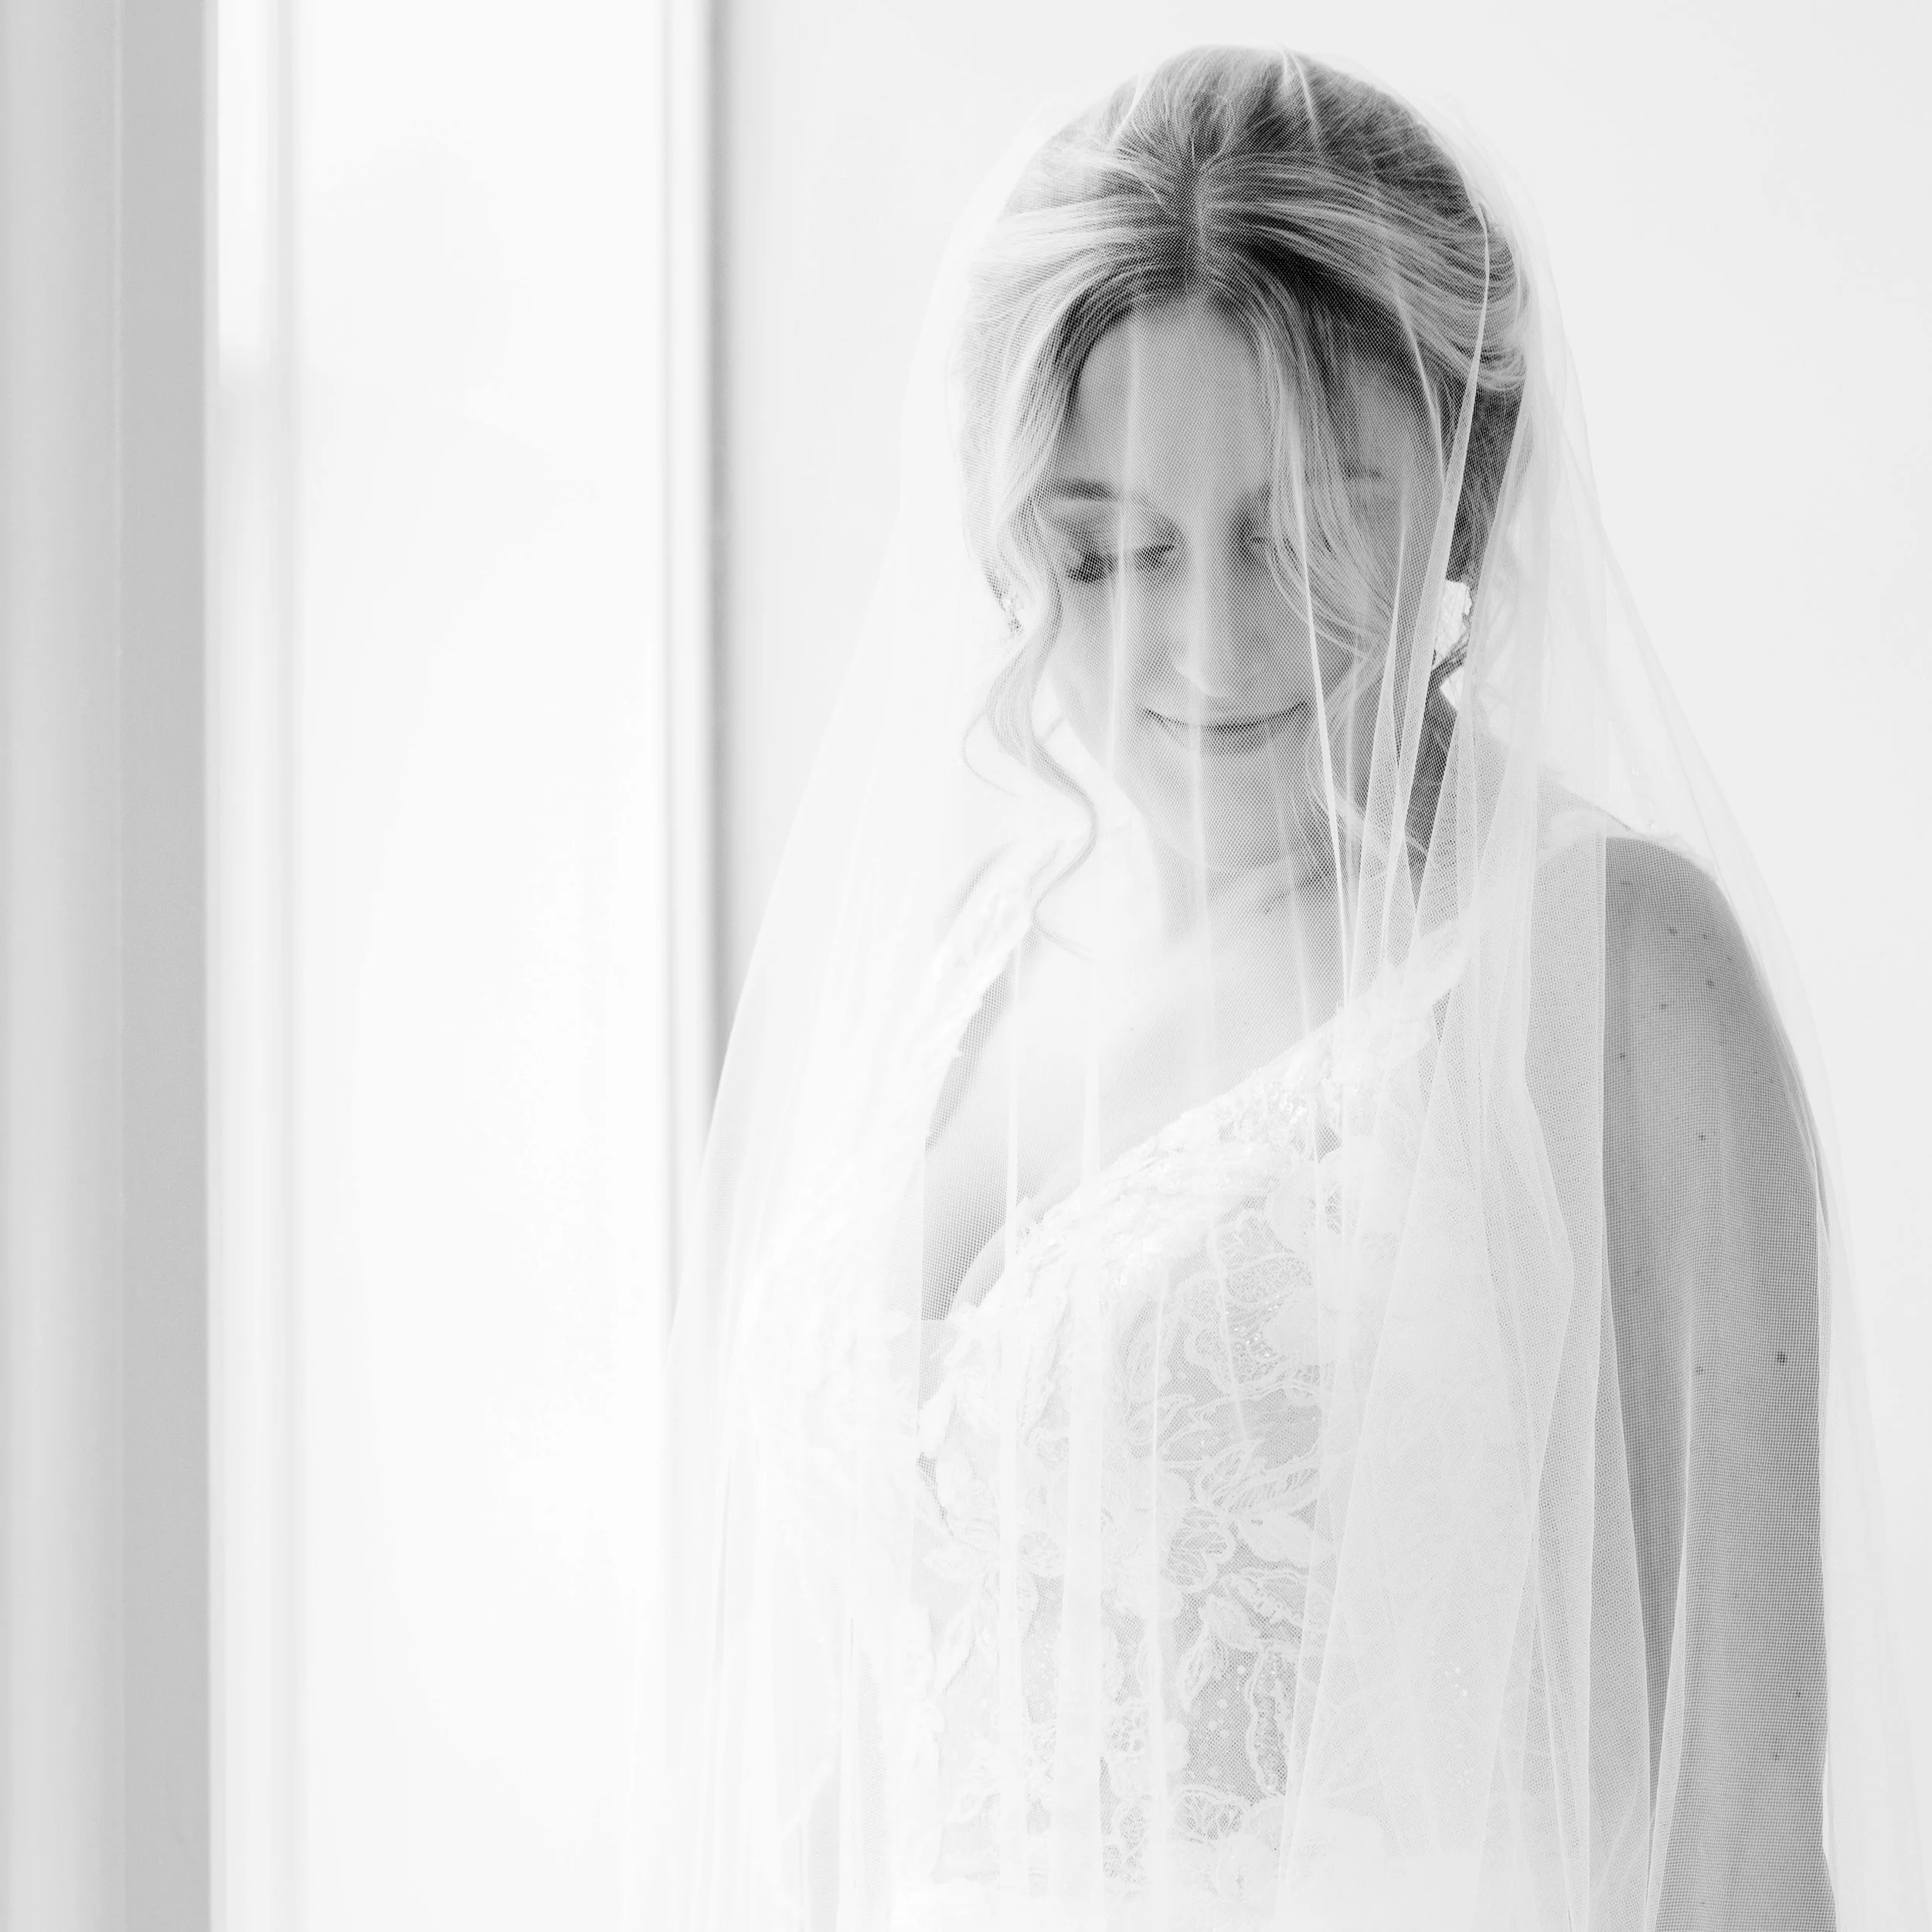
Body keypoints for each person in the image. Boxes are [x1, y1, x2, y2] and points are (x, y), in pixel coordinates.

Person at [647, 46, 1925, 1930]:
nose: (1205, 640)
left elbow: (1740, 1832)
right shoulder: (961, 958)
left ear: (1465, 504)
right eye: (1108, 549)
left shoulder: (1612, 970)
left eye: (1304, 536)